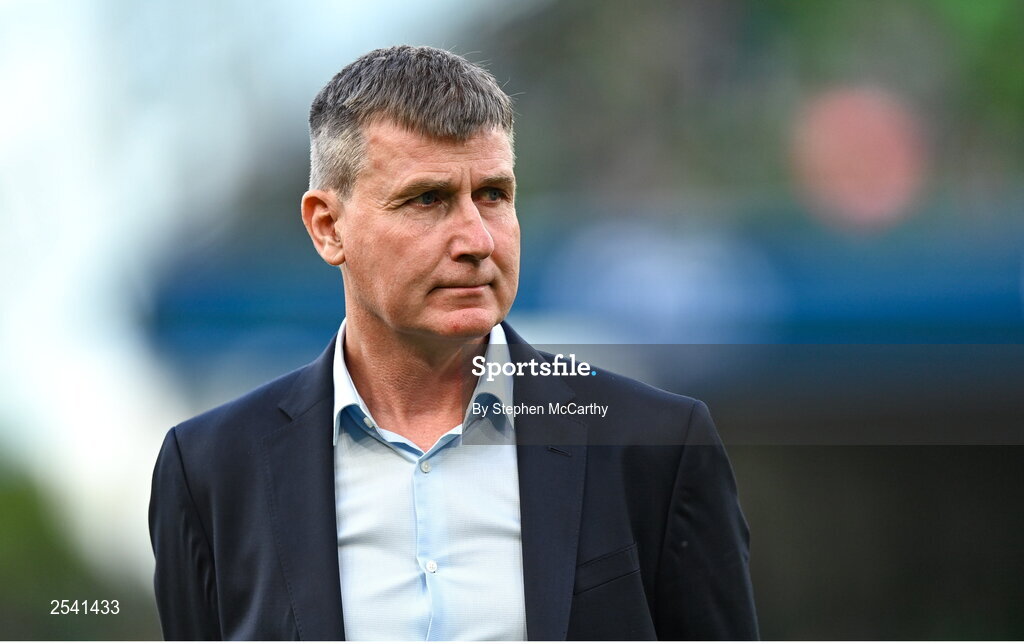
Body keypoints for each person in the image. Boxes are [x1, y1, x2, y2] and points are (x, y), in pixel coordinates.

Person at [149, 45, 758, 641]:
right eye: (427, 199)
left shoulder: (656, 444)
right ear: (328, 227)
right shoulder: (209, 470)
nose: (476, 239)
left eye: (493, 194)